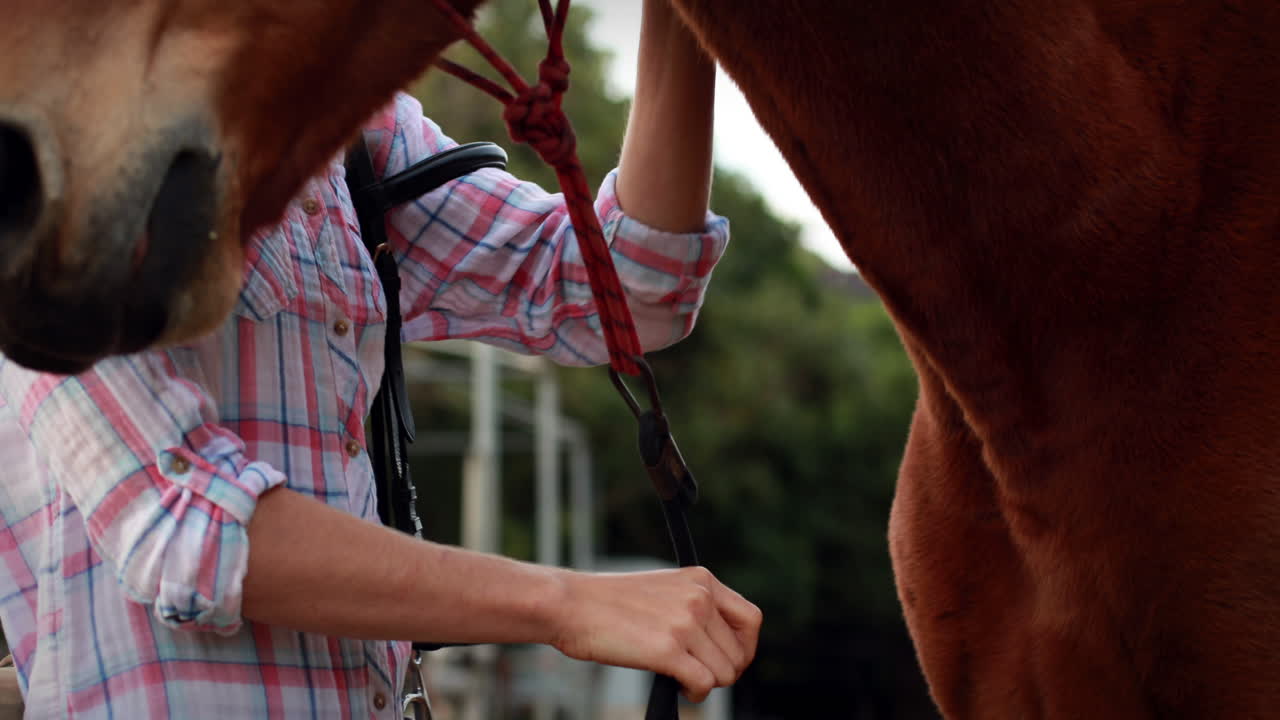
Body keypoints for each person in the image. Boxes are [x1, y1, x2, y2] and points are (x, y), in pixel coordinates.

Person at [0, 1, 761, 717]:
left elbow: (627, 289)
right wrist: (565, 603)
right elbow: (185, 526)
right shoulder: (50, 141)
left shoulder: (352, 138)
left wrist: (684, 18)